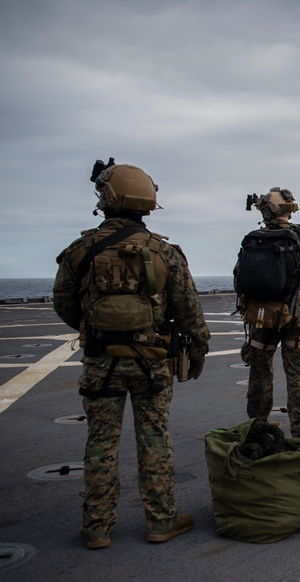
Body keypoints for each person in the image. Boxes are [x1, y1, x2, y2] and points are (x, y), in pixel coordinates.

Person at [53, 160, 210, 549]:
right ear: (148, 203)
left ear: (105, 201)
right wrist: (199, 346)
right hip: (151, 363)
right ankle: (161, 520)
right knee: (155, 438)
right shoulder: (165, 253)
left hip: (100, 361)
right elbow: (189, 311)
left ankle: (97, 527)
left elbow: (64, 304)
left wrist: (92, 328)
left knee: (100, 443)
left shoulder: (80, 250)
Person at [237, 188, 300, 438]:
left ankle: (256, 429)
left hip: (261, 316)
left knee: (259, 375)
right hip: (297, 316)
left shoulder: (254, 238)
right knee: (297, 377)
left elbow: (239, 278)